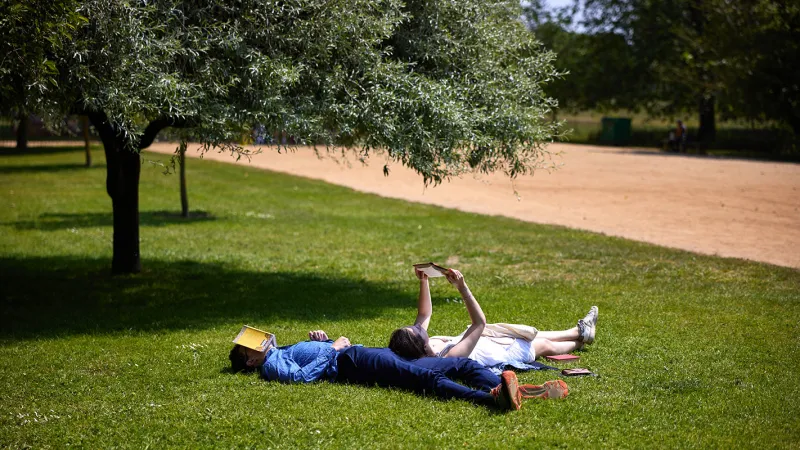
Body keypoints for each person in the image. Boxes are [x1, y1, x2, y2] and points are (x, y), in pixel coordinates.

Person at [229, 329, 569, 411]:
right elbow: (302, 378)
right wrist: (333, 350)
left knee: (461, 363)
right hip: (353, 362)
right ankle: (491, 398)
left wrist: (324, 339)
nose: (257, 342)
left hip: (360, 353)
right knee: (425, 377)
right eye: (249, 346)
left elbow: (309, 359)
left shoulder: (281, 351)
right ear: (249, 360)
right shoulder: (271, 366)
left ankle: (511, 389)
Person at [388, 268, 598, 374]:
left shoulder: (419, 347)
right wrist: (462, 288)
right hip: (497, 353)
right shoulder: (449, 356)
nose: (418, 325)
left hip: (485, 341)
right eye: (417, 329)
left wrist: (424, 280)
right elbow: (479, 323)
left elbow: (425, 314)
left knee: (530, 334)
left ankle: (578, 331)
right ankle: (579, 340)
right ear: (421, 344)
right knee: (543, 345)